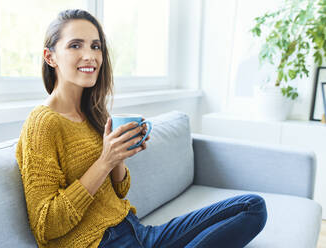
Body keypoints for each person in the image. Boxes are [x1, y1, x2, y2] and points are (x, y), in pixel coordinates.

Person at [15, 9, 267, 248]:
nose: (90, 55)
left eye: (95, 46)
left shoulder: (93, 113)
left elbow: (120, 191)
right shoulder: (42, 124)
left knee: (252, 207)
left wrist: (119, 157)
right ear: (50, 57)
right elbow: (45, 225)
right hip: (103, 243)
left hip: (139, 233)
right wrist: (105, 160)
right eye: (75, 45)